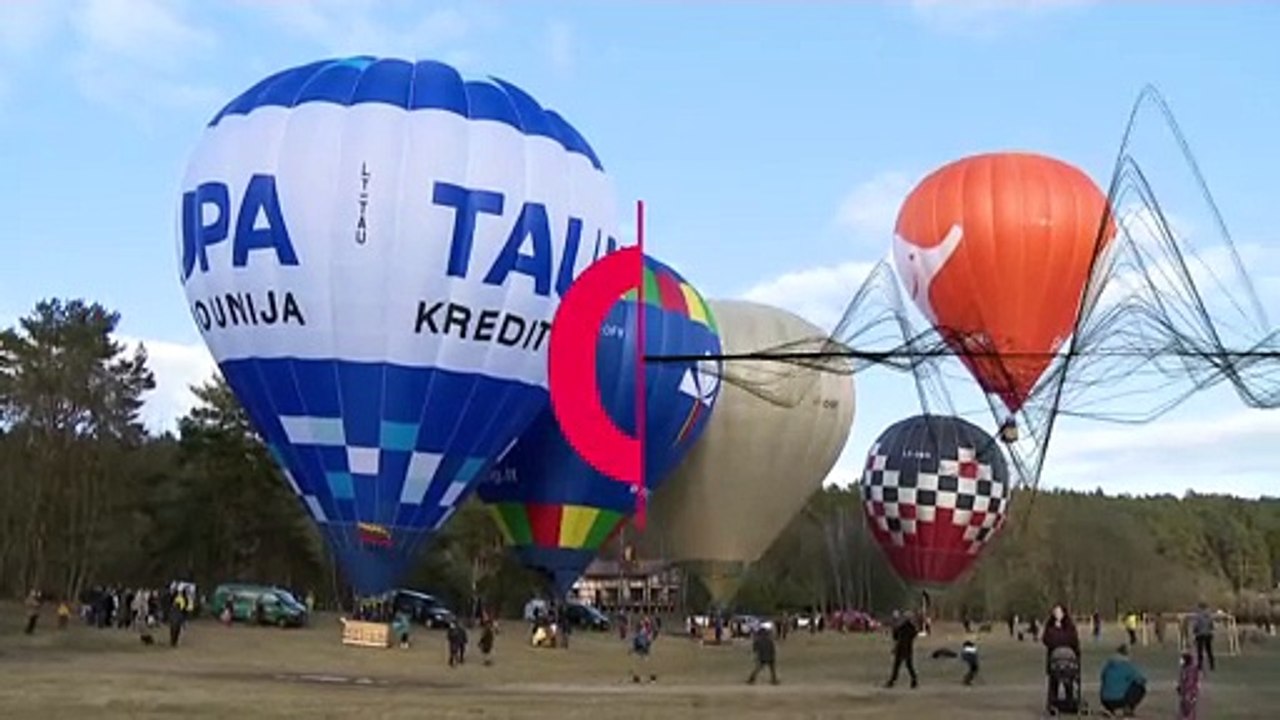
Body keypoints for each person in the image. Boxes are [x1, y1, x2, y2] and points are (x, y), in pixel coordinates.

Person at [1042, 604, 1082, 712]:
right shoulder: (1050, 626)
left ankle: (1070, 702)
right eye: (1055, 612)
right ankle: (1052, 703)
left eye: (1059, 612)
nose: (1057, 614)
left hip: (1068, 659)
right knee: (1054, 682)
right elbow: (1046, 640)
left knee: (1069, 682)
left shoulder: (1070, 626)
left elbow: (1073, 640)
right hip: (1054, 660)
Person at [1099, 644, 1146, 717]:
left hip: (1105, 700)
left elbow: (1102, 677)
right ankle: (1128, 708)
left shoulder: (1108, 665)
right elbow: (1141, 679)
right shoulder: (1127, 666)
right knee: (1140, 688)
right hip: (1119, 700)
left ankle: (1110, 709)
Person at [884, 610, 919, 689]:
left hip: (902, 647)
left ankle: (892, 681)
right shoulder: (911, 627)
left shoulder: (902, 626)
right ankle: (913, 680)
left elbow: (895, 636)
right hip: (906, 648)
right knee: (907, 665)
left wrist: (894, 627)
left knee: (899, 665)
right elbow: (913, 634)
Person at [1190, 603, 1215, 672]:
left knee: (1200, 650)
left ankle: (1200, 665)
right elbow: (1211, 626)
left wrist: (1194, 632)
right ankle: (1212, 665)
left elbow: (1196, 626)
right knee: (1209, 650)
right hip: (1208, 634)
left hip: (1200, 635)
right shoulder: (1209, 616)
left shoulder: (1198, 616)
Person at [1177, 651, 1200, 720]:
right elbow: (1182, 680)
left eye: (1182, 659)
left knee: (1188, 707)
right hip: (1185, 692)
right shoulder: (1184, 668)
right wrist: (1179, 686)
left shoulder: (1190, 669)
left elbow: (1190, 682)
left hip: (1190, 692)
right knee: (1183, 706)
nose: (1181, 661)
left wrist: (1183, 688)